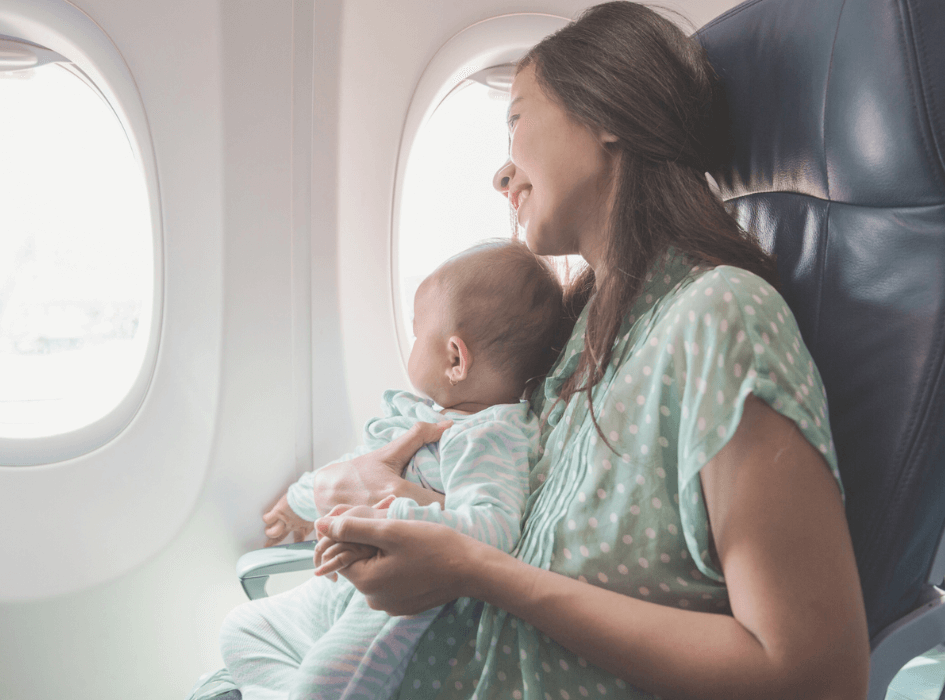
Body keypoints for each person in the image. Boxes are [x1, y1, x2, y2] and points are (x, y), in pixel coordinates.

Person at [308, 3, 871, 699]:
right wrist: (395, 503)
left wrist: (473, 571)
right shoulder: (584, 334)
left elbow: (814, 676)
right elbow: (528, 527)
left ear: (606, 114)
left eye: (515, 119)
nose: (500, 173)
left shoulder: (720, 319)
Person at [219, 239, 567, 700]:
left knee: (322, 688)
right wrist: (300, 501)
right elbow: (356, 468)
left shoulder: (490, 436)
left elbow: (494, 530)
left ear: (455, 358)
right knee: (242, 628)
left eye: (418, 332)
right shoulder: (424, 415)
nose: (412, 341)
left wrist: (397, 516)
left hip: (395, 606)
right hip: (337, 588)